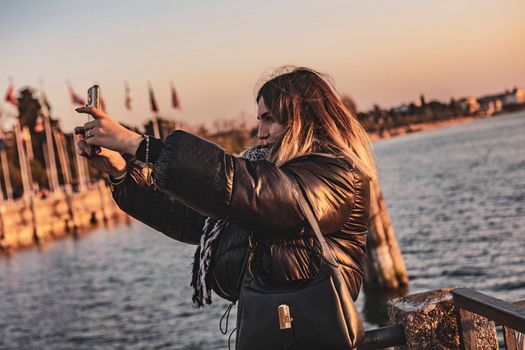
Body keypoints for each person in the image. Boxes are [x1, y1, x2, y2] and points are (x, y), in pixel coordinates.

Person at [75, 66, 375, 333]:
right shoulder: (258, 179)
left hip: (311, 335)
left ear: (302, 119)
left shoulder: (337, 175)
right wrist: (121, 170)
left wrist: (139, 144)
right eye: (259, 120)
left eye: (269, 119)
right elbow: (185, 216)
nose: (260, 133)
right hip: (269, 330)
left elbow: (262, 192)